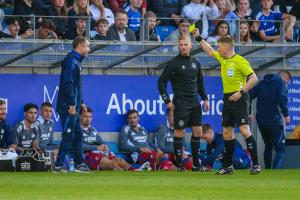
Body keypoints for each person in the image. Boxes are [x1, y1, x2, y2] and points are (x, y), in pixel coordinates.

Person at [193, 29, 261, 175]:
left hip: (240, 98)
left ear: (227, 47)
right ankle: (228, 166)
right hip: (227, 98)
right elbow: (209, 50)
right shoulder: (223, 58)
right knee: (227, 132)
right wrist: (198, 37)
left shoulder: (240, 61)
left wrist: (241, 92)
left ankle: (255, 164)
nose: (218, 49)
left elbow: (254, 78)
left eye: (219, 47)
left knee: (244, 130)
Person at [158, 35, 210, 171]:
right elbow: (161, 82)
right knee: (179, 133)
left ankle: (196, 165)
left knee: (197, 132)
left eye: (185, 45)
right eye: (180, 45)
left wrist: (205, 98)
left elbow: (200, 83)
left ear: (191, 45)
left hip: (195, 103)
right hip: (180, 103)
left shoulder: (196, 62)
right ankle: (180, 164)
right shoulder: (173, 63)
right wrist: (167, 100)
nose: (182, 47)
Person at [55, 36, 91, 173]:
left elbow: (75, 86)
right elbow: (68, 84)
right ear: (80, 46)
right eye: (87, 46)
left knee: (78, 135)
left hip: (74, 105)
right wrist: (71, 104)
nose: (89, 49)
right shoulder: (71, 61)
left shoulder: (76, 61)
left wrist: (80, 103)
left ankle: (79, 164)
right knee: (68, 135)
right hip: (67, 107)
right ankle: (58, 165)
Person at [81, 107, 151, 171]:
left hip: (97, 152)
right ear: (79, 117)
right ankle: (126, 176)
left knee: (120, 161)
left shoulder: (92, 130)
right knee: (112, 164)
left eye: (90, 117)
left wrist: (105, 147)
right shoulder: (78, 130)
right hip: (87, 155)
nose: (88, 119)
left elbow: (101, 142)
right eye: (85, 117)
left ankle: (136, 171)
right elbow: (79, 146)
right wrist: (96, 148)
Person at [249, 70, 291, 169]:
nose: (287, 83)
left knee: (268, 145)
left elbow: (249, 95)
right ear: (285, 78)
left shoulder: (262, 82)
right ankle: (275, 172)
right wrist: (286, 115)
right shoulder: (281, 83)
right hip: (275, 121)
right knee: (280, 148)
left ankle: (268, 170)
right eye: (288, 81)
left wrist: (249, 112)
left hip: (261, 121)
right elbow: (282, 98)